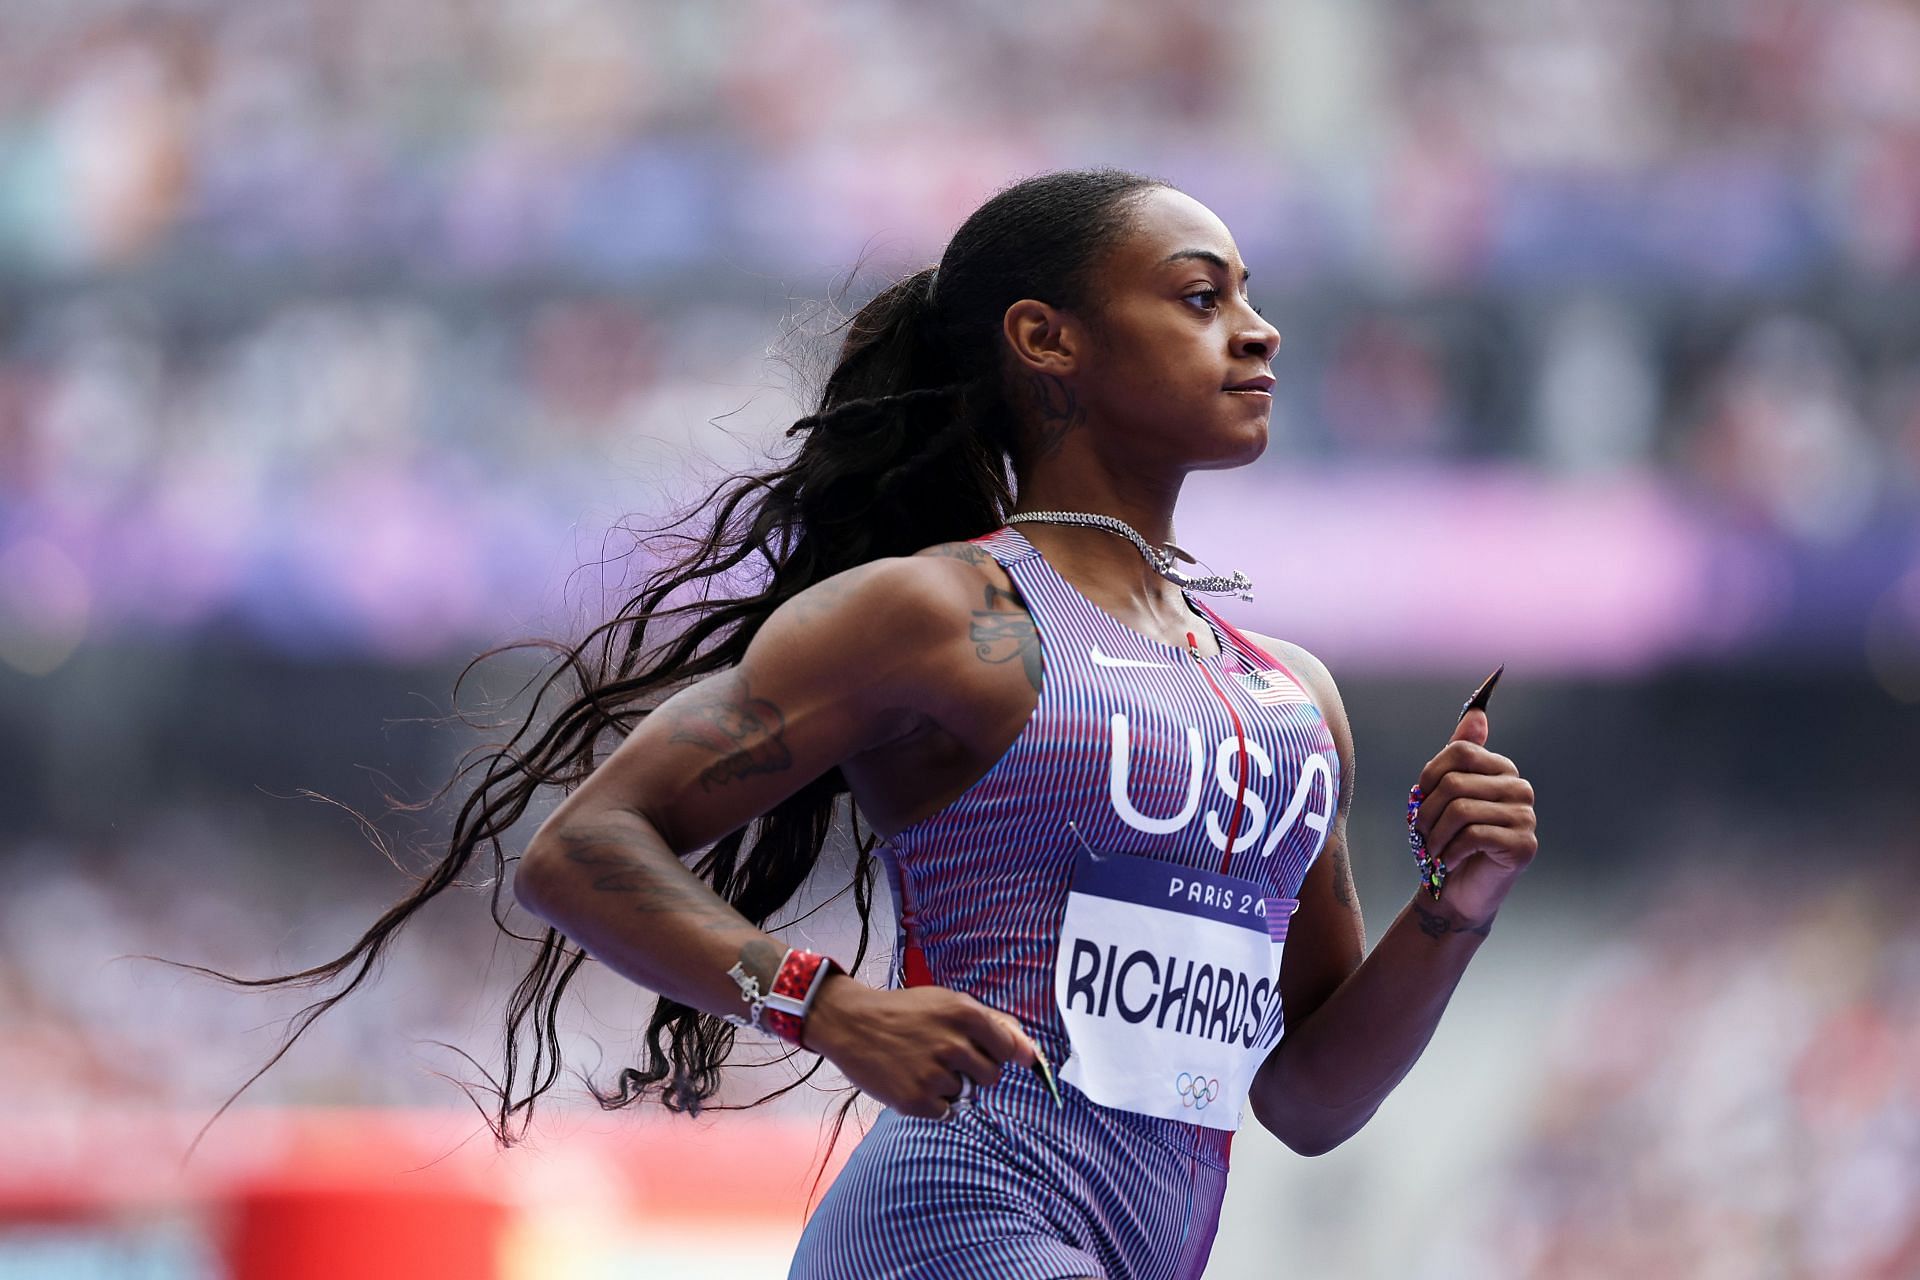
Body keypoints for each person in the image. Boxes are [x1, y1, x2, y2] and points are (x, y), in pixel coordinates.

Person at [242, 169, 1539, 1280]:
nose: (1258, 334)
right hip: (959, 1221)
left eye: (1252, 298)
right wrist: (824, 1005)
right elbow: (581, 852)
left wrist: (1453, 912)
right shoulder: (942, 616)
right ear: (1047, 341)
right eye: (1203, 298)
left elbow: (1306, 1099)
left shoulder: (1292, 698)